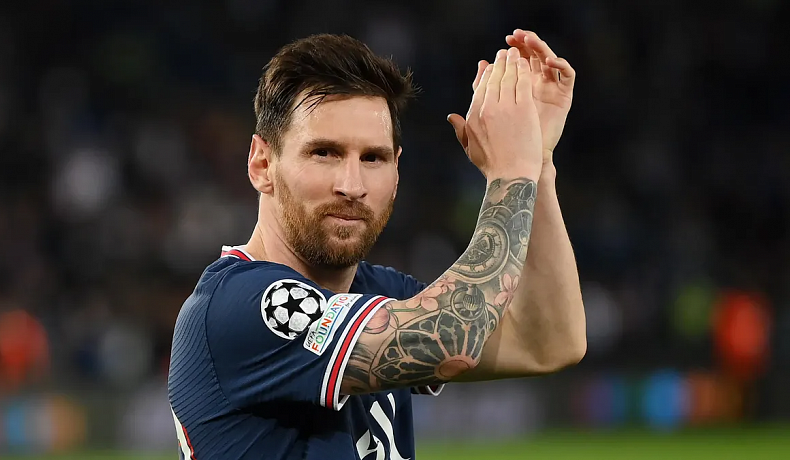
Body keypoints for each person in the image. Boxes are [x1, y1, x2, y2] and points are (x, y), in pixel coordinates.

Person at [168, 29, 585, 460]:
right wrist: (511, 173)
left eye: (373, 158)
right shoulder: (239, 306)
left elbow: (549, 342)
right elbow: (450, 338)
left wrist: (538, 163)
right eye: (324, 153)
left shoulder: (378, 293)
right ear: (261, 164)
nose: (352, 186)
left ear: (397, 171)